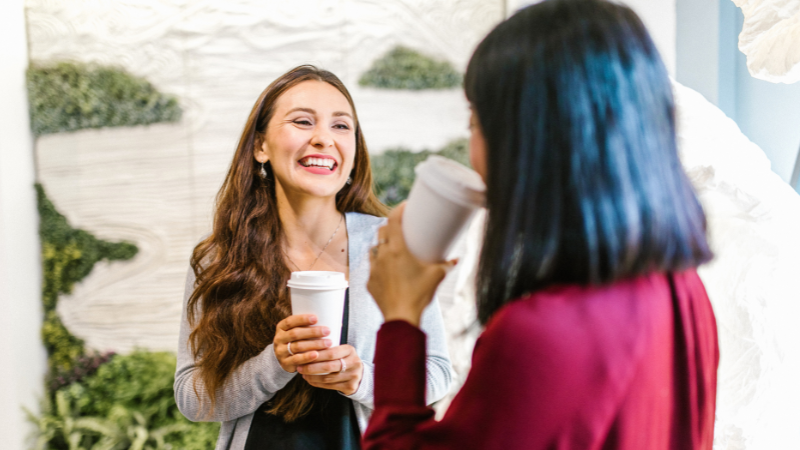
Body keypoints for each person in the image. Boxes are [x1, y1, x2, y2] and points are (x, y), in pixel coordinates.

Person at [363, 1, 719, 449]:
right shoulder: (681, 289)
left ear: (529, 140)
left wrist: (400, 315)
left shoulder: (542, 335)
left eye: (475, 122)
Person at [174, 65, 453, 450]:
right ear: (260, 146)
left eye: (341, 126)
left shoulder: (392, 244)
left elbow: (437, 373)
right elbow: (192, 398)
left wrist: (361, 378)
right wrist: (275, 362)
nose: (324, 138)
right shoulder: (220, 257)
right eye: (303, 121)